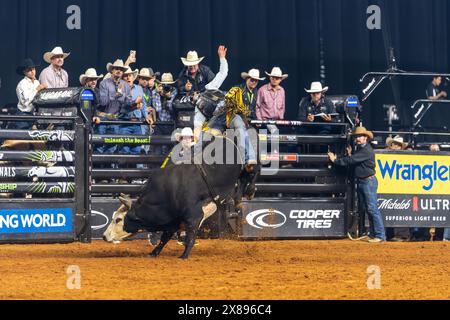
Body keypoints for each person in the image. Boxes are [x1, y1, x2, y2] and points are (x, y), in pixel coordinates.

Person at [328, 127, 386, 243]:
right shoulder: (362, 149)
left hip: (367, 181)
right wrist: (350, 154)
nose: (357, 139)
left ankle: (380, 235)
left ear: (365, 138)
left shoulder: (366, 150)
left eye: (359, 136)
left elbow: (351, 161)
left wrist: (336, 160)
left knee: (372, 208)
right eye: (356, 137)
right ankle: (375, 234)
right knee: (369, 208)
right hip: (364, 181)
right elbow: (353, 159)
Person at [96, 59, 142, 154]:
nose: (119, 71)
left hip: (115, 120)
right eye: (116, 68)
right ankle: (97, 168)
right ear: (112, 70)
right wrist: (115, 95)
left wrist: (135, 103)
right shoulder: (104, 83)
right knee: (99, 147)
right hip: (103, 119)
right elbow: (103, 102)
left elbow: (128, 102)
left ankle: (107, 168)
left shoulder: (125, 85)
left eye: (121, 69)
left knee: (111, 148)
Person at [207, 87, 257, 168]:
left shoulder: (241, 102)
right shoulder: (220, 98)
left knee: (241, 130)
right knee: (208, 133)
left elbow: (243, 116)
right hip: (219, 118)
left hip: (232, 117)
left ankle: (248, 158)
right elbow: (214, 115)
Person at [192, 46, 229, 140]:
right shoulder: (211, 86)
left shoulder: (210, 84)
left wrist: (222, 58)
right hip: (205, 106)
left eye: (193, 64)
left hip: (217, 112)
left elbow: (223, 73)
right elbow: (223, 73)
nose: (191, 66)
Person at [384, 135, 410, 242]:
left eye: (397, 145)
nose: (395, 147)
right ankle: (390, 234)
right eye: (393, 144)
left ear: (401, 147)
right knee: (388, 209)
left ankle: (403, 235)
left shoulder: (406, 156)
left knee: (401, 209)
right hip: (388, 186)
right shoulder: (385, 155)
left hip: (402, 186)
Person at [15, 58, 47, 129]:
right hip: (23, 115)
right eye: (29, 70)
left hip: (34, 115)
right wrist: (37, 89)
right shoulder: (22, 84)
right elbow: (26, 102)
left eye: (33, 69)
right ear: (24, 72)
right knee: (23, 138)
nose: (32, 72)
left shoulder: (37, 82)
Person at [151, 73, 178, 155]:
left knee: (170, 150)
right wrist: (158, 94)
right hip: (160, 124)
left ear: (172, 84)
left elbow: (171, 108)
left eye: (169, 85)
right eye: (164, 85)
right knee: (158, 150)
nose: (167, 87)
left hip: (171, 124)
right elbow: (158, 109)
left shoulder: (175, 92)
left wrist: (168, 98)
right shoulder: (156, 92)